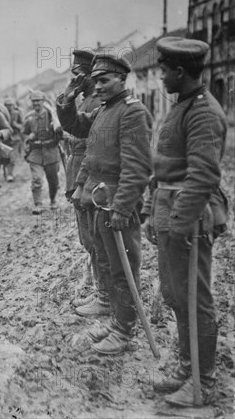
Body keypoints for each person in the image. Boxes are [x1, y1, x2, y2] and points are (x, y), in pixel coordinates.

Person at [142, 37, 227, 407]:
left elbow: (203, 175)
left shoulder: (204, 112)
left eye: (163, 71)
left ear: (180, 71)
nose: (160, 77)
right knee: (176, 295)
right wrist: (151, 209)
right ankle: (186, 367)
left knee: (196, 297)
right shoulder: (181, 106)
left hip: (188, 216)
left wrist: (178, 222)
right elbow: (162, 166)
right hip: (169, 207)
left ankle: (203, 382)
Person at [57, 53, 152, 355]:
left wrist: (123, 208)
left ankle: (124, 330)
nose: (97, 86)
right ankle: (115, 320)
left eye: (104, 80)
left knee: (124, 270)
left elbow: (137, 168)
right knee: (107, 262)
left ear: (122, 80)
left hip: (115, 203)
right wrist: (68, 97)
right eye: (95, 81)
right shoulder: (105, 110)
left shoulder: (131, 112)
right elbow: (79, 134)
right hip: (98, 198)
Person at [57, 49, 107, 315]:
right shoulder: (85, 98)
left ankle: (104, 295)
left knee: (95, 237)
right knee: (87, 237)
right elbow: (69, 125)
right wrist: (69, 96)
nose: (74, 79)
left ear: (89, 73)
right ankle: (99, 289)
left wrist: (81, 182)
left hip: (88, 174)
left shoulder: (99, 100)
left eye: (78, 74)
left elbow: (92, 144)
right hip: (76, 168)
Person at [23, 90, 63, 214]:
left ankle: (53, 200)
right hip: (35, 152)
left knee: (53, 180)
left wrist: (56, 127)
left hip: (51, 151)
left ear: (43, 101)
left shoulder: (52, 115)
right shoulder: (29, 117)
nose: (36, 103)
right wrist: (29, 136)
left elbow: (60, 133)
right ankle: (38, 204)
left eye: (38, 100)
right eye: (34, 101)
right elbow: (24, 134)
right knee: (36, 179)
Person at [3, 97, 24, 182]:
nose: (9, 107)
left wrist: (16, 125)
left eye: (10, 105)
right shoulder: (1, 114)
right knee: (5, 157)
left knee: (12, 157)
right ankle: (6, 172)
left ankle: (10, 174)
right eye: (7, 105)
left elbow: (23, 126)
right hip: (5, 139)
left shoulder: (17, 113)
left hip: (15, 139)